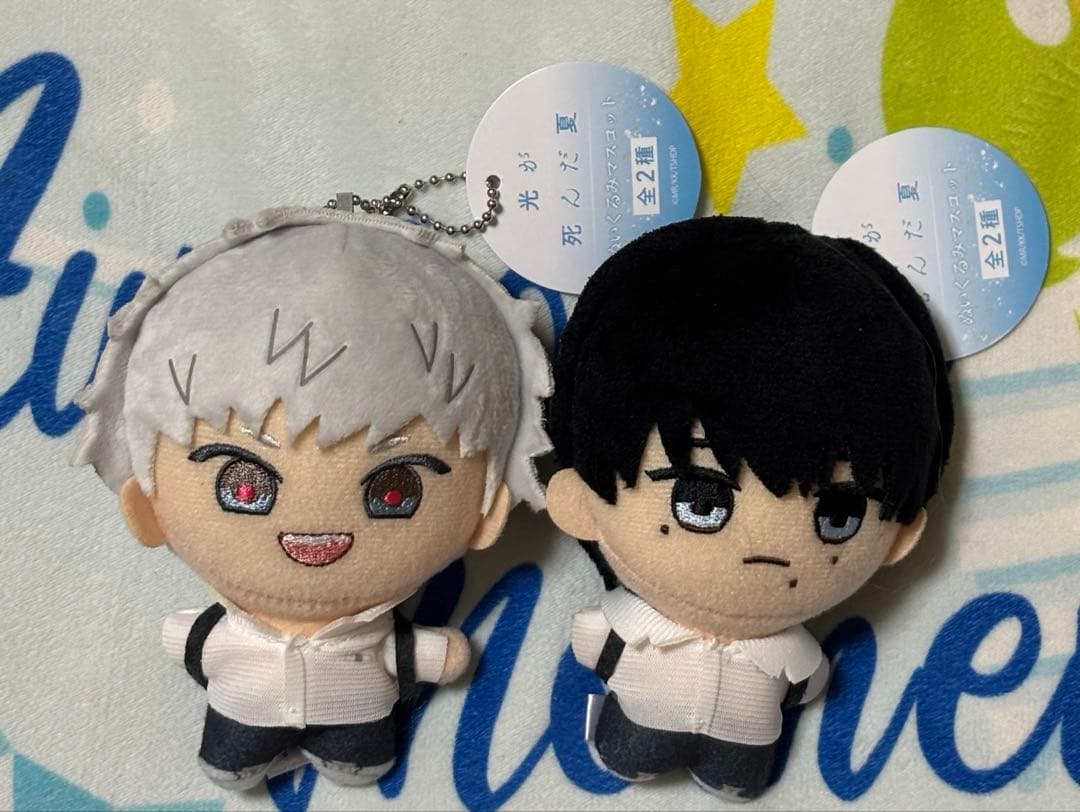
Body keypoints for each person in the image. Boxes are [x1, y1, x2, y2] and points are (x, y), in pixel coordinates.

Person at [74, 208, 551, 789]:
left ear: (486, 515)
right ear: (147, 509)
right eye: (244, 486)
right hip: (241, 715)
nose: (318, 531)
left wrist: (435, 656)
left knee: (358, 755)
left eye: (395, 491)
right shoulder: (224, 629)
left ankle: (341, 756)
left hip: (360, 720)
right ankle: (237, 758)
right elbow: (187, 641)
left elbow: (436, 658)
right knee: (233, 756)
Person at [545, 216, 953, 800]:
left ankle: (728, 772)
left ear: (899, 538)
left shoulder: (787, 647)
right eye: (699, 501)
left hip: (749, 737)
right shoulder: (637, 625)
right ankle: (634, 749)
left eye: (836, 516)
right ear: (579, 503)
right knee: (634, 745)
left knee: (736, 768)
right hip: (641, 717)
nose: (765, 552)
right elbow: (596, 643)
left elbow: (807, 682)